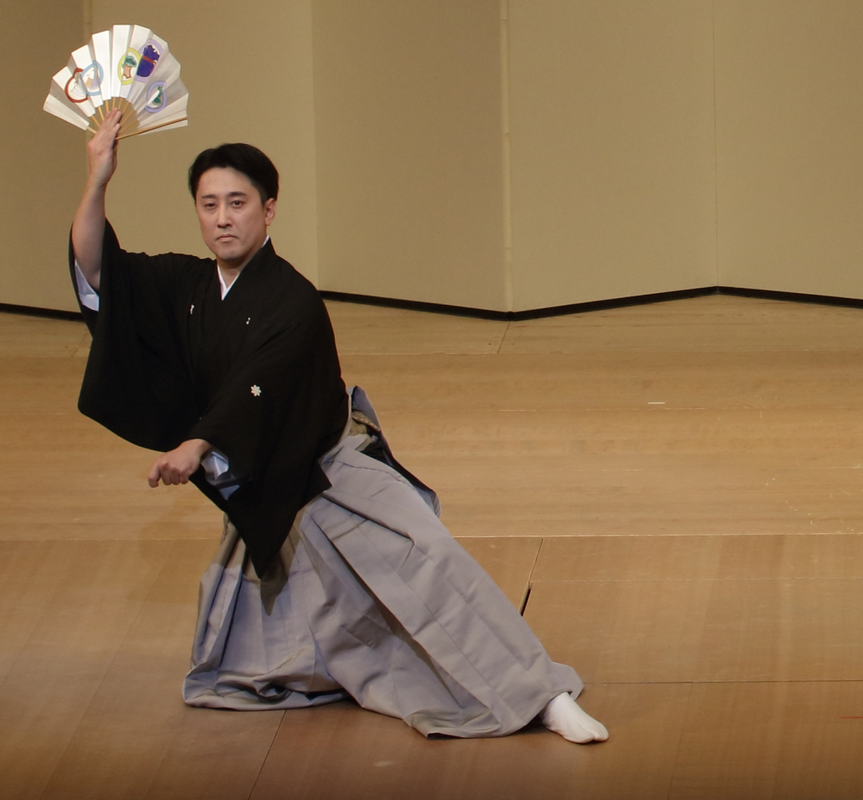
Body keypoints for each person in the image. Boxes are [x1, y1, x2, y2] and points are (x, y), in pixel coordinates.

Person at [69, 110, 608, 744]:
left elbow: (257, 385)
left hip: (331, 469)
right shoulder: (186, 284)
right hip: (265, 484)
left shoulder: (291, 298)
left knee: (429, 563)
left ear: (269, 210)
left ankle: (541, 694)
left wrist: (198, 443)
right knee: (272, 658)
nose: (222, 218)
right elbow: (102, 271)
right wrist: (98, 179)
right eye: (209, 205)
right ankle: (370, 674)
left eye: (238, 203)